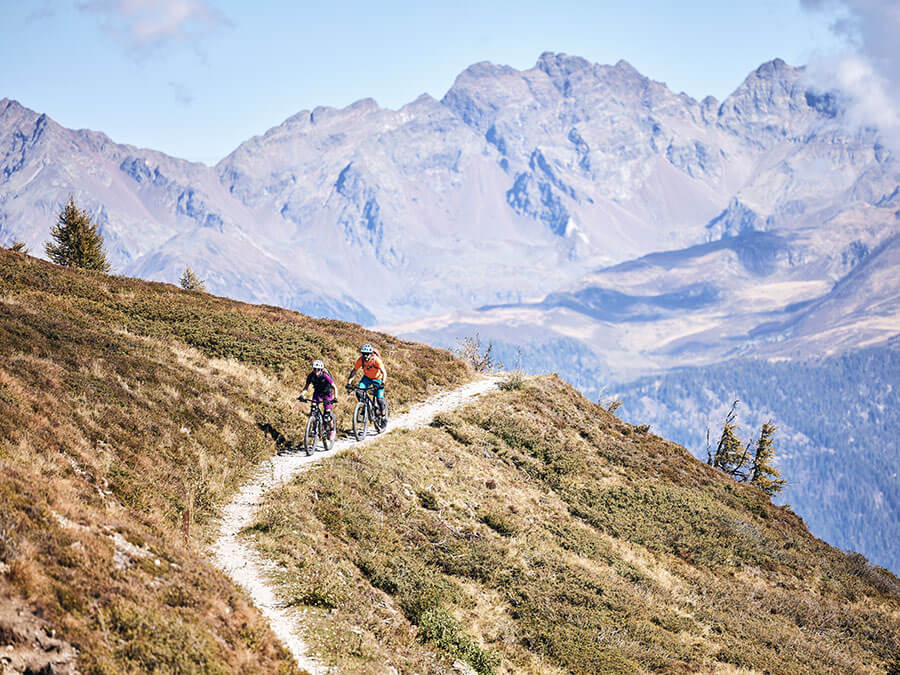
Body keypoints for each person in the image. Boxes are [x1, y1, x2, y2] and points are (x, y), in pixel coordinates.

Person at [347, 343, 387, 419]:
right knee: (359, 391)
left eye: (367, 354)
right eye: (364, 354)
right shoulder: (360, 360)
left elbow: (384, 372)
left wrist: (383, 383)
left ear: (371, 354)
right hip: (367, 378)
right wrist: (349, 382)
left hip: (377, 379)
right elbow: (354, 371)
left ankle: (383, 416)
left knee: (380, 399)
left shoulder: (376, 360)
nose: (365, 356)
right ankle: (364, 405)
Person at [300, 359, 337, 440]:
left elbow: (334, 387)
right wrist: (302, 395)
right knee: (313, 409)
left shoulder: (325, 376)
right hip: (318, 393)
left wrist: (335, 397)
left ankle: (332, 430)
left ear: (321, 369)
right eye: (314, 369)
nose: (316, 371)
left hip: (327, 393)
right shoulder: (311, 376)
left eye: (318, 369)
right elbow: (306, 387)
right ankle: (315, 428)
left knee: (327, 415)